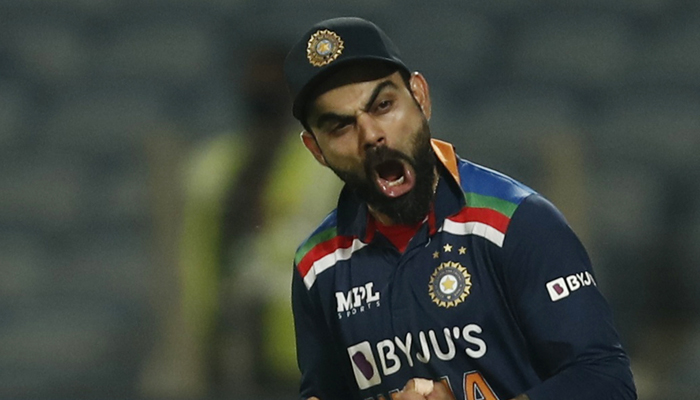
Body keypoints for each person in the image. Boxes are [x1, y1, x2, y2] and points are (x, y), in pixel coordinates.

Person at [283, 17, 637, 400]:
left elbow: (606, 381)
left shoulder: (518, 222)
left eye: (383, 105)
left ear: (420, 96)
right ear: (316, 150)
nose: (371, 135)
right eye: (340, 127)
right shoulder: (317, 266)